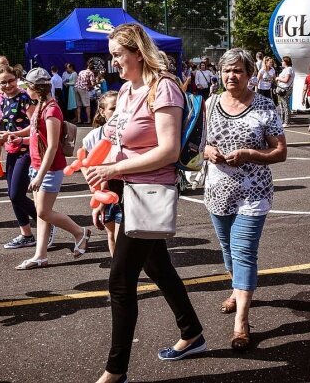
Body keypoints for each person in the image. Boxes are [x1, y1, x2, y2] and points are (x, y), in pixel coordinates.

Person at [86, 23, 204, 383]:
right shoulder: (124, 91)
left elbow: (167, 151)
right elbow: (113, 137)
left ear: (138, 52)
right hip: (123, 189)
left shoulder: (164, 87)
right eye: (112, 56)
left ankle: (115, 372)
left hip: (150, 191)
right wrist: (97, 174)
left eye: (118, 55)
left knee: (120, 281)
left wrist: (113, 167)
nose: (114, 63)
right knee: (158, 266)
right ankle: (192, 332)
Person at [204, 48, 287, 351]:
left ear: (250, 74)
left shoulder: (265, 105)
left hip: (254, 192)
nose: (231, 76)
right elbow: (203, 144)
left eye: (238, 70)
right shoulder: (211, 102)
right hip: (217, 190)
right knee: (227, 249)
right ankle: (236, 289)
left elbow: (280, 151)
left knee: (243, 251)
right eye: (227, 70)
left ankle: (242, 321)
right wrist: (208, 151)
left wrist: (252, 154)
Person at [12, 67, 90, 270]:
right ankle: (40, 255)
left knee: (43, 212)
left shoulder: (52, 109)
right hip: (38, 166)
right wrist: (14, 135)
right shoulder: (40, 105)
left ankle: (79, 232)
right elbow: (36, 131)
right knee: (41, 214)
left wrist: (40, 174)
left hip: (49, 169)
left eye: (27, 86)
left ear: (35, 88)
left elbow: (53, 146)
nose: (25, 90)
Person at [0, 65, 38, 249]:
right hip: (12, 151)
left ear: (17, 78)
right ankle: (26, 235)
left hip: (26, 150)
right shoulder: (4, 101)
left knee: (16, 194)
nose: (8, 84)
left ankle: (45, 222)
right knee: (13, 196)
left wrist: (14, 136)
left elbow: (34, 126)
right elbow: (8, 128)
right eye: (3, 82)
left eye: (11, 80)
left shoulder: (25, 97)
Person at [81, 91, 120, 255]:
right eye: (113, 109)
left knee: (123, 237)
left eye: (122, 108)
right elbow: (83, 159)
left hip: (125, 189)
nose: (118, 113)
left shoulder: (131, 131)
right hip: (107, 193)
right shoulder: (93, 136)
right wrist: (94, 189)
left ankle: (123, 275)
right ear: (102, 112)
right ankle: (118, 273)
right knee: (111, 234)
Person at [275, 55, 295, 127]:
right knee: (282, 105)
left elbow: (286, 80)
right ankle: (283, 120)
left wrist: (278, 78)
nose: (281, 62)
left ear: (286, 62)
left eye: (283, 61)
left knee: (285, 105)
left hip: (285, 89)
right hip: (281, 88)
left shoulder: (289, 69)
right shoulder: (285, 69)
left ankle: (287, 121)